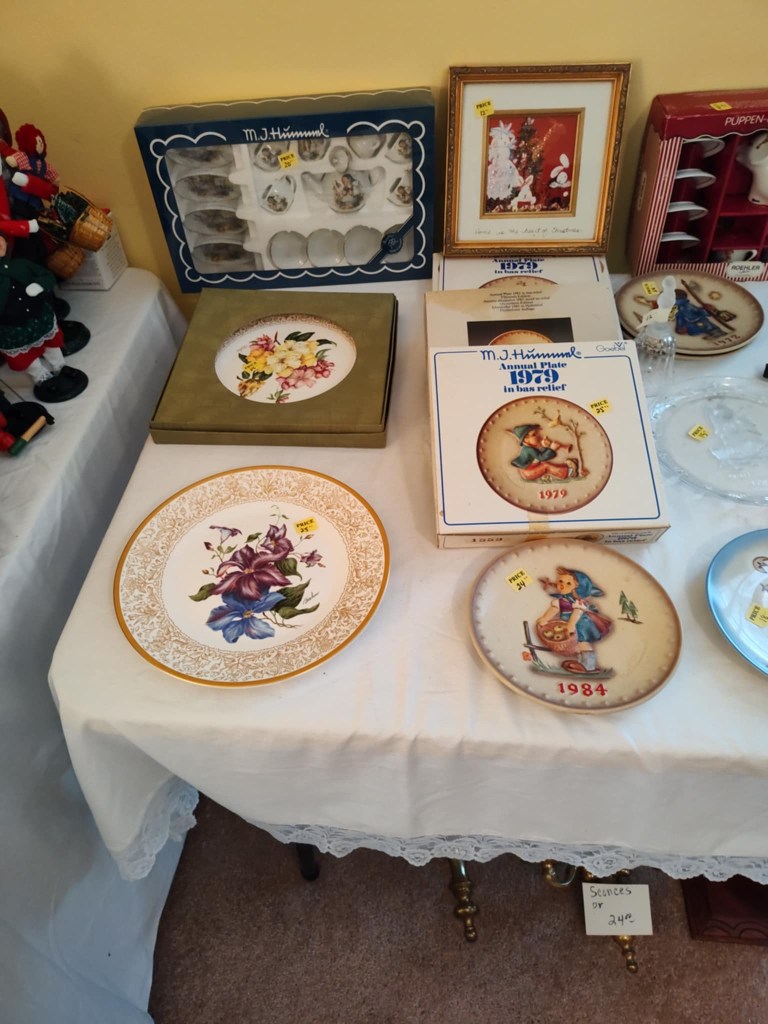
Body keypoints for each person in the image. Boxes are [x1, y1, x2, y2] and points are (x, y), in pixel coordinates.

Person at [0, 232, 87, 402]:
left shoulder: (20, 264)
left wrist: (40, 285)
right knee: (26, 357)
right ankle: (41, 377)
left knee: (51, 343)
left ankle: (59, 366)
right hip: (12, 329)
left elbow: (46, 275)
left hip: (39, 316)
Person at [537, 566, 613, 674]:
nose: (562, 584)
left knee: (583, 643)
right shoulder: (561, 600)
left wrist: (571, 624)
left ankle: (589, 666)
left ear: (578, 588)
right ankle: (582, 663)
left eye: (568, 583)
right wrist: (545, 619)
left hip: (581, 624)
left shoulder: (578, 601)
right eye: (560, 581)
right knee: (576, 645)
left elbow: (577, 612)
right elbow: (554, 609)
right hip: (568, 624)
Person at [508, 422, 576, 480]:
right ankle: (568, 473)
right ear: (526, 439)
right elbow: (541, 457)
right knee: (546, 466)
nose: (538, 436)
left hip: (531, 470)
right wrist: (552, 449)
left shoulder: (529, 448)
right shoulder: (528, 449)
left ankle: (567, 469)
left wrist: (545, 447)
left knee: (545, 464)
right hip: (529, 473)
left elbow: (538, 454)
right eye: (534, 435)